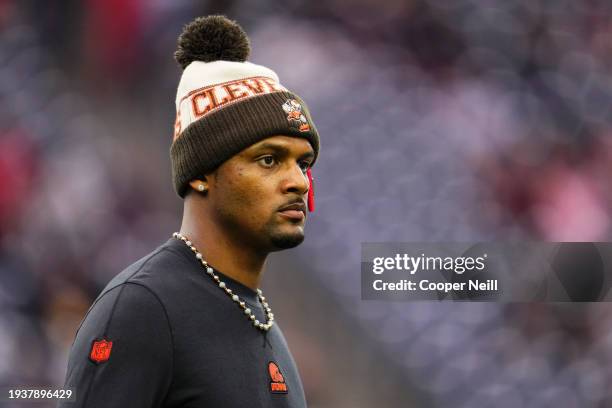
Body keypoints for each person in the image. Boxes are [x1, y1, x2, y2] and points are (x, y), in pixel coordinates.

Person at [59, 15, 319, 408]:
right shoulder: (142, 308)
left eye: (303, 163)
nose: (298, 181)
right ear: (201, 174)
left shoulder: (259, 317)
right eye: (269, 160)